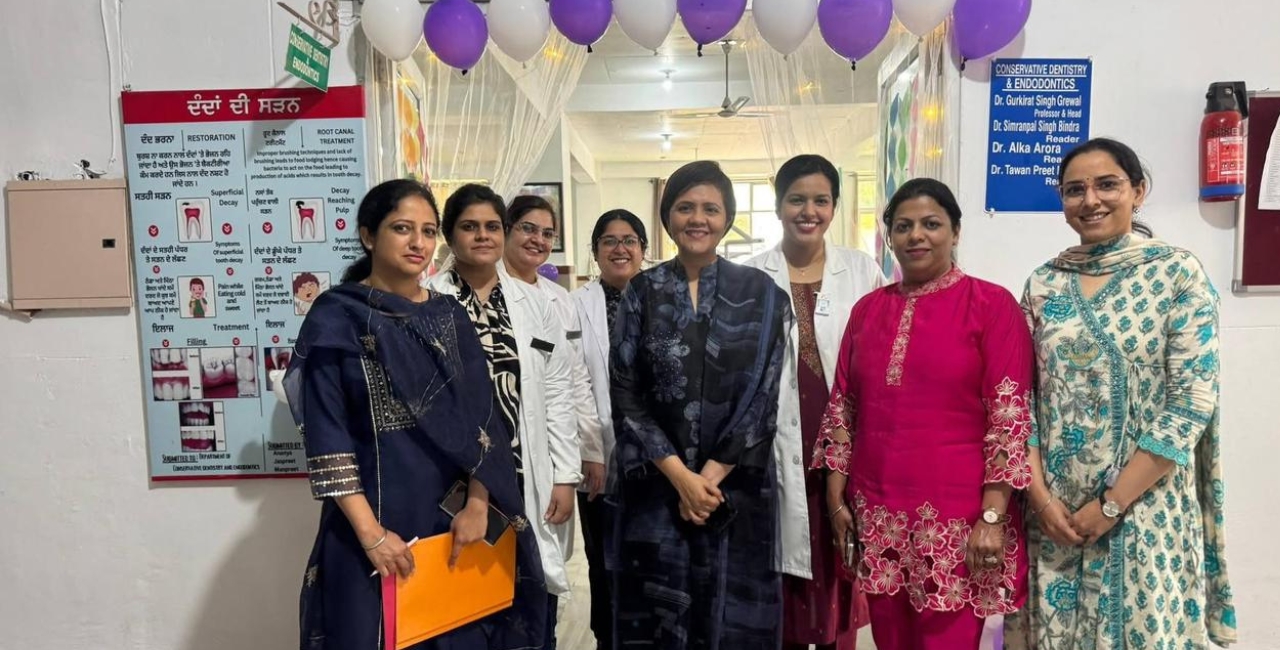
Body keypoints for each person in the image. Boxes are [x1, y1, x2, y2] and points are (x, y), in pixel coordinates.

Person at [285, 179, 546, 649]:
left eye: (428, 231)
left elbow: (483, 417)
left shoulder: (449, 316)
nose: (418, 243)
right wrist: (371, 535)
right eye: (402, 228)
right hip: (369, 526)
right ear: (369, 235)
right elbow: (328, 438)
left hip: (451, 522)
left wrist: (478, 505)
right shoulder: (337, 318)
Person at [1004, 138, 1237, 649]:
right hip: (1056, 517)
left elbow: (1190, 403)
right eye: (1074, 190)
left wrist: (1111, 505)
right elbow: (1019, 402)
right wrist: (1041, 502)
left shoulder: (1176, 274)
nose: (1090, 200)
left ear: (1138, 191)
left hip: (1145, 505)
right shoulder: (1044, 284)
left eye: (1107, 185)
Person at [813, 178, 1033, 650]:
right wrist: (836, 500)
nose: (916, 236)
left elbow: (1009, 419)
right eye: (903, 226)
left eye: (931, 224)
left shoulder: (991, 306)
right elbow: (842, 409)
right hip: (877, 514)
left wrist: (992, 516)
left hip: (958, 519)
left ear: (955, 232)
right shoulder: (868, 310)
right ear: (890, 236)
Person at [609, 160, 791, 648]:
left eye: (711, 208)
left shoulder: (763, 294)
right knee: (658, 618)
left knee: (734, 620)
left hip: (736, 487)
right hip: (657, 486)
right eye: (685, 207)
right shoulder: (640, 293)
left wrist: (706, 479)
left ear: (727, 217)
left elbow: (766, 393)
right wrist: (681, 479)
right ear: (668, 216)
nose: (698, 218)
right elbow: (625, 393)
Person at [426, 184, 580, 649]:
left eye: (492, 226)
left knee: (528, 602)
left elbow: (558, 390)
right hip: (452, 480)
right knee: (463, 605)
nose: (483, 236)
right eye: (469, 227)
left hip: (524, 472)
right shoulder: (427, 301)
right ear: (449, 235)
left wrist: (565, 474)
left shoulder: (535, 302)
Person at [744, 154, 881, 650]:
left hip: (844, 438)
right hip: (777, 440)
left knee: (837, 551)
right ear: (778, 205)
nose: (809, 211)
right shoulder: (750, 275)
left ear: (834, 206)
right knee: (783, 562)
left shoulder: (862, 270)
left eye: (821, 200)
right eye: (796, 199)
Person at [570, 208, 650, 650]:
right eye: (609, 241)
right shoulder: (576, 304)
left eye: (629, 240)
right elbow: (575, 380)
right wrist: (592, 451)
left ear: (643, 249)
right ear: (596, 251)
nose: (620, 249)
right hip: (599, 457)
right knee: (602, 558)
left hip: (657, 459)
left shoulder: (661, 298)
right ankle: (608, 639)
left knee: (650, 557)